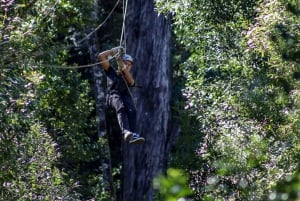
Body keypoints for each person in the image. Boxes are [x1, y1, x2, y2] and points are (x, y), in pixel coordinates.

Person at [98, 46, 145, 144]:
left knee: (132, 110)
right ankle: (126, 131)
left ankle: (134, 134)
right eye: (125, 64)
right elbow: (101, 56)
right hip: (113, 96)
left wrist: (122, 65)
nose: (127, 66)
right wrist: (113, 51)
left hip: (124, 95)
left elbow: (131, 82)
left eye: (129, 65)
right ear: (120, 63)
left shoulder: (128, 76)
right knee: (121, 107)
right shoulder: (111, 71)